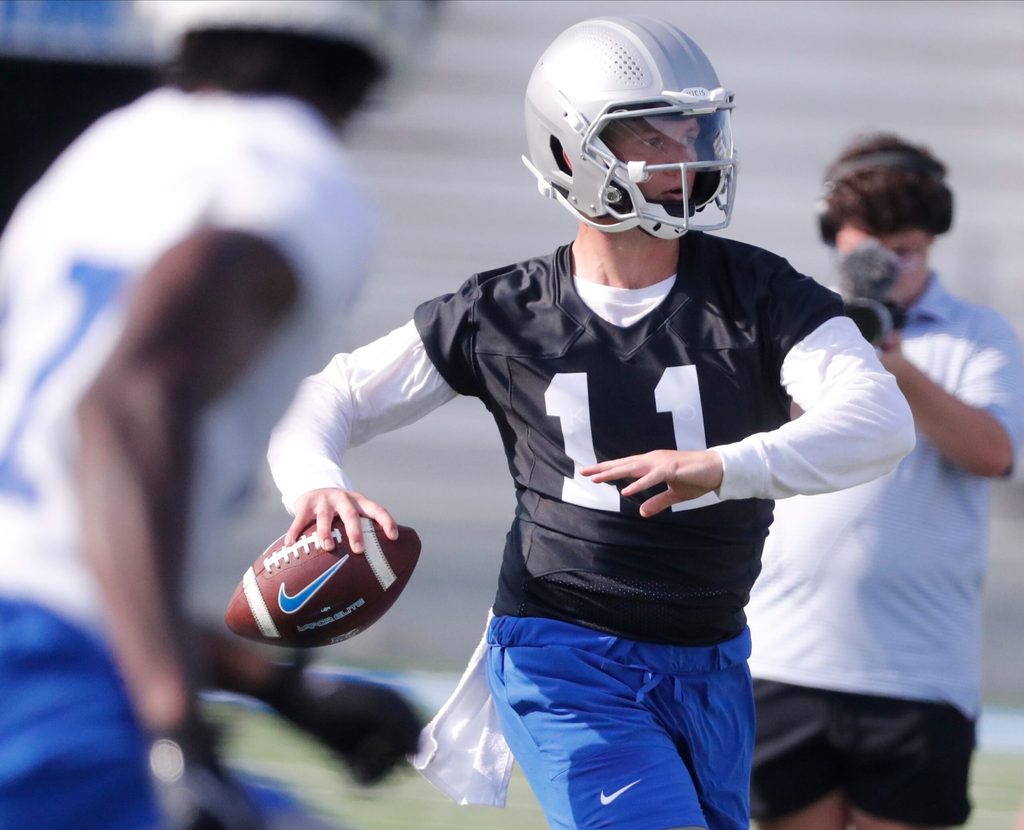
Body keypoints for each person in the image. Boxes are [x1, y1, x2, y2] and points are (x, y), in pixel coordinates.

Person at [266, 16, 914, 830]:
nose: (687, 154)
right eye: (652, 135)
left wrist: (723, 466)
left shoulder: (759, 292)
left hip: (711, 656)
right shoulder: (502, 312)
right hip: (563, 650)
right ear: (571, 152)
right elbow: (322, 399)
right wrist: (320, 485)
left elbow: (881, 420)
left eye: (695, 129)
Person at [0, 1, 437, 828]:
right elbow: (130, 401)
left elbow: (47, 537)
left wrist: (276, 687)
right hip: (42, 689)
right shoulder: (287, 168)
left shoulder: (106, 152)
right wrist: (176, 727)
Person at [746, 134, 1024, 830]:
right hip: (783, 656)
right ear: (834, 238)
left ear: (932, 243)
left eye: (907, 251)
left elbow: (992, 453)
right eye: (870, 248)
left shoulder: (980, 335)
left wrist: (892, 363)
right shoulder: (795, 325)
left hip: (918, 672)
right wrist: (843, 342)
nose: (889, 267)